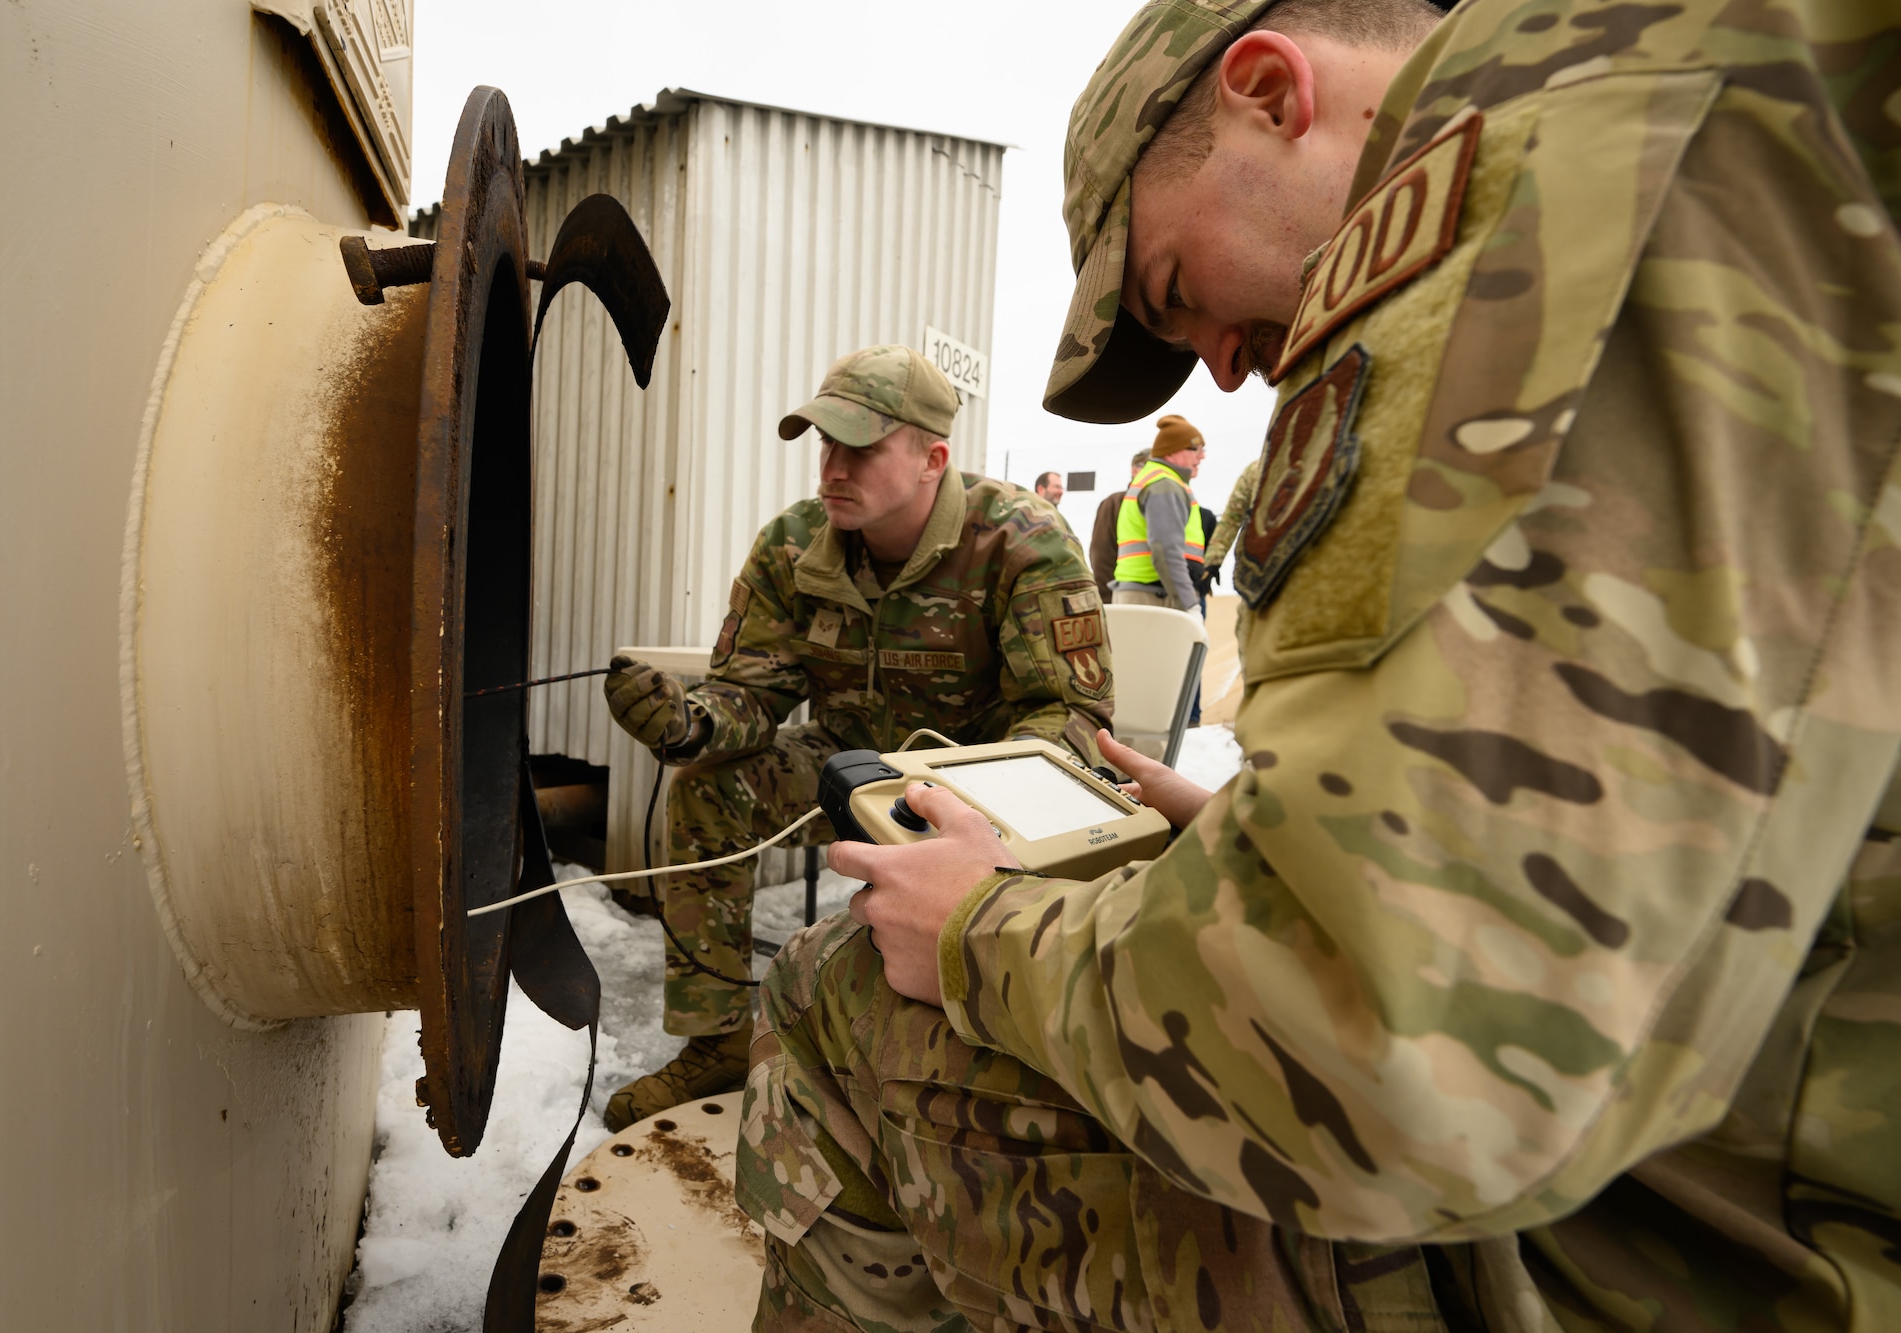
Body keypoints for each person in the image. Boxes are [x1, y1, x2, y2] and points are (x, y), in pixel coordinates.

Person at [735, 0, 1901, 1330]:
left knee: (839, 985)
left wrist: (983, 934)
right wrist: (1247, 831)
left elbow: (1413, 1064)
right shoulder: (1769, 110)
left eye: (1176, 291)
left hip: (1607, 1264)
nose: (1224, 372)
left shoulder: (1566, 138)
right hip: (1743, 1167)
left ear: (1272, 94)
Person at [600, 344, 1115, 1130]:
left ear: (931, 458)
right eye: (825, 444)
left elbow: (1068, 717)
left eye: (861, 448)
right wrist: (689, 723)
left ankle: (982, 1060)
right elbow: (753, 692)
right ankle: (716, 1043)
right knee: (708, 788)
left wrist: (956, 805)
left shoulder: (1021, 539)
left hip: (979, 783)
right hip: (843, 763)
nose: (833, 468)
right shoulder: (794, 545)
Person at [1111, 414, 1207, 612]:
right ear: (1174, 450)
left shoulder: (1156, 479)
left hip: (1146, 595)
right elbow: (1166, 551)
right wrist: (1189, 605)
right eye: (1196, 449)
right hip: (1154, 597)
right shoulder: (1164, 485)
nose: (1202, 456)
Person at [1086, 448, 1148, 604]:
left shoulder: (1162, 503)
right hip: (1122, 597)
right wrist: (1110, 599)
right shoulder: (1114, 503)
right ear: (1134, 470)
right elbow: (1101, 554)